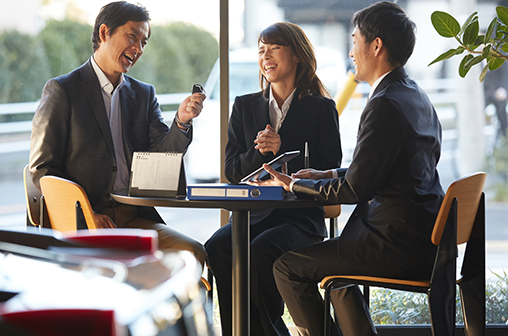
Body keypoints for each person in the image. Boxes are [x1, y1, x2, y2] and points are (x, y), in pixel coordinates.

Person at [252, 2, 445, 335]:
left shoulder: (384, 104)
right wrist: (327, 175)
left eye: (354, 40)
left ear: (376, 45)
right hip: (423, 237)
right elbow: (387, 169)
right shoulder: (414, 95)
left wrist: (292, 185)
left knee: (286, 267)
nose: (351, 50)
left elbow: (357, 190)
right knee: (336, 277)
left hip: (392, 243)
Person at [29, 1, 207, 268]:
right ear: (104, 33)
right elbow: (42, 169)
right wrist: (87, 212)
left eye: (144, 42)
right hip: (82, 221)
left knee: (194, 254)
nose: (138, 48)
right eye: (132, 36)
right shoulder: (63, 90)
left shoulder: (144, 95)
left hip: (134, 218)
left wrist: (181, 122)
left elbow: (161, 156)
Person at [205, 22, 342, 336]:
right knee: (218, 246)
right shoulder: (243, 106)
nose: (265, 56)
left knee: (263, 249)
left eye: (274, 48)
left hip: (301, 219)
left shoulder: (322, 109)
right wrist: (262, 152)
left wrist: (283, 146)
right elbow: (232, 170)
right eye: (261, 50)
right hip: (253, 216)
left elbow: (329, 167)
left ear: (297, 55)